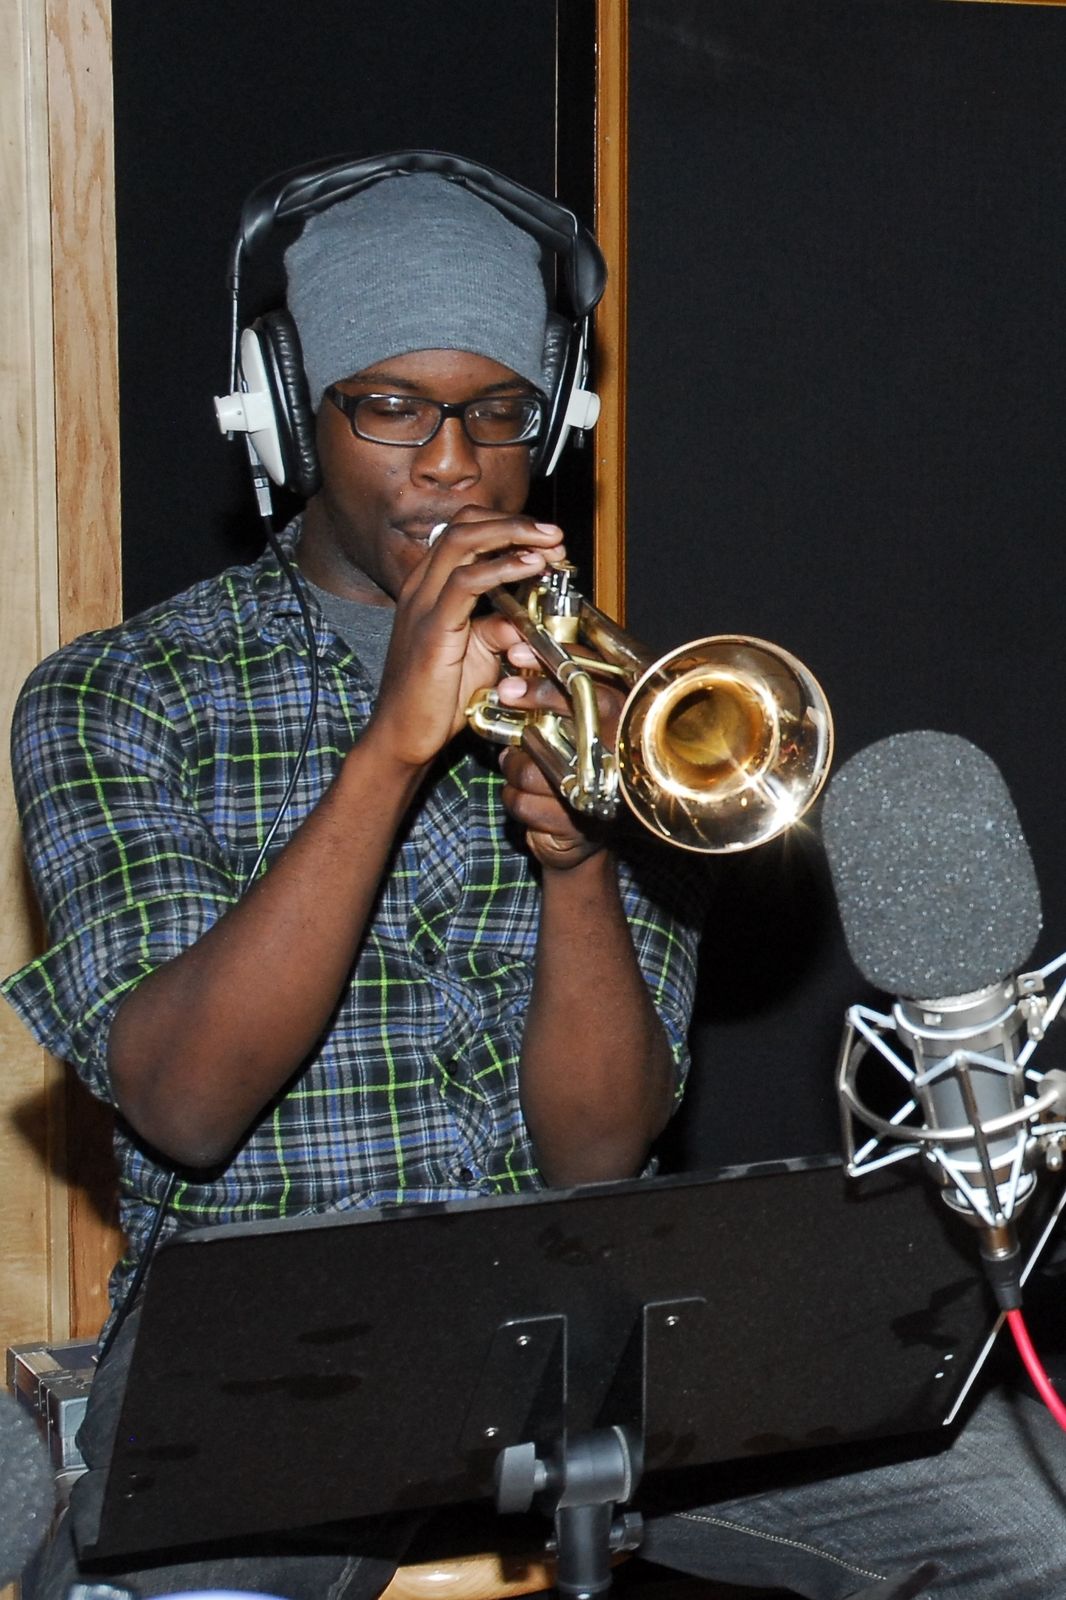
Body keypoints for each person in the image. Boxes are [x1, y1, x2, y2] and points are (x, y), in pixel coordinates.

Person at [4, 156, 1066, 1600]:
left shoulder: (628, 702)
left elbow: (599, 1154)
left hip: (601, 1307)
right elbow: (185, 1104)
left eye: (499, 410)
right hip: (270, 1337)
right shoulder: (119, 692)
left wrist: (575, 864)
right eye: (391, 407)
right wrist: (388, 754)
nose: (453, 462)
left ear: (553, 420)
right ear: (290, 412)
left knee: (1034, 1530)